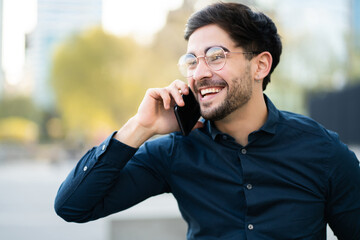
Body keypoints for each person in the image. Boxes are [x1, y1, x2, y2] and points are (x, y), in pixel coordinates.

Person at [55, 2, 360, 239]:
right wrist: (141, 126)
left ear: (260, 66)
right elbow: (73, 206)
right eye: (192, 61)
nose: (199, 73)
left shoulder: (323, 151)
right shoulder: (176, 151)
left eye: (215, 56)